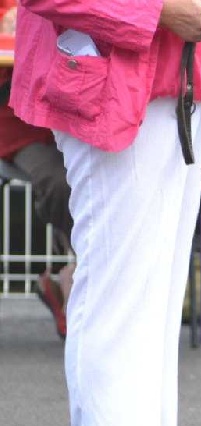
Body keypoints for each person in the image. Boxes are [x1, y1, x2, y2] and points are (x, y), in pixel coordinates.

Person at [11, 0, 201, 426]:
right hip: (114, 81)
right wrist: (159, 11)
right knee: (118, 296)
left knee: (157, 302)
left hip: (184, 85)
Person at [1, 0, 74, 339]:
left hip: (72, 113)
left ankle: (71, 275)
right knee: (61, 181)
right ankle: (71, 273)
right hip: (16, 122)